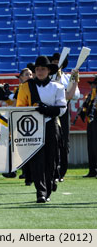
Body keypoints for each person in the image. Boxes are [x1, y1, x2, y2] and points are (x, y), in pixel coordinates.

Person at [16, 56, 67, 203]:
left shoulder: (57, 86)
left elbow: (62, 108)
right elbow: (20, 107)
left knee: (51, 159)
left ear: (49, 71)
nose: (39, 71)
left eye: (43, 69)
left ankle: (49, 188)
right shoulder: (25, 86)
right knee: (36, 160)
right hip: (33, 127)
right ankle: (41, 192)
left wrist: (47, 110)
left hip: (51, 124)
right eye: (37, 69)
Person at [49, 53, 80, 182]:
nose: (56, 64)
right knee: (51, 141)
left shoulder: (67, 77)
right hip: (49, 112)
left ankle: (62, 172)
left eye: (59, 62)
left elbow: (75, 96)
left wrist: (74, 80)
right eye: (54, 62)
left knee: (64, 141)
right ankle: (51, 170)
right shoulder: (48, 77)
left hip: (63, 111)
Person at [77, 76, 97, 177]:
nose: (92, 86)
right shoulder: (90, 95)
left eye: (94, 84)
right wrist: (83, 111)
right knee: (91, 147)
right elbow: (87, 107)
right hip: (92, 123)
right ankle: (92, 170)